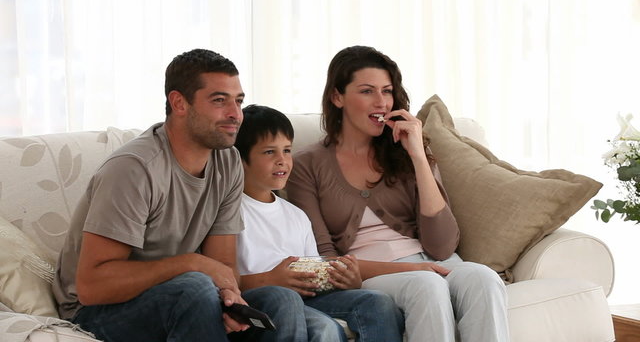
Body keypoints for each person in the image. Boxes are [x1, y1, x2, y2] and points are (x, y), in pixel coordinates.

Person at [52, 48, 320, 342]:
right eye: (220, 101)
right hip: (97, 311)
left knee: (282, 300)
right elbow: (93, 287)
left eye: (238, 101)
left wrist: (229, 296)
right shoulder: (135, 170)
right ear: (179, 103)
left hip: (183, 295)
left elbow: (223, 265)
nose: (235, 115)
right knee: (194, 286)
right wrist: (190, 263)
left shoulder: (227, 161)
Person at [285, 45, 509, 342]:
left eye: (387, 91)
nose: (381, 102)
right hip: (374, 271)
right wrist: (413, 268)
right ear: (337, 97)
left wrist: (418, 156)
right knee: (426, 285)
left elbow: (442, 247)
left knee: (484, 278)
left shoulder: (407, 151)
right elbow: (322, 257)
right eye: (367, 91)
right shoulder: (305, 164)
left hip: (434, 261)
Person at [232, 104, 404, 342]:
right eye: (270, 152)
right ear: (240, 160)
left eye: (287, 150)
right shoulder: (230, 211)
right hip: (261, 299)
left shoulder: (296, 215)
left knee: (378, 302)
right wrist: (272, 279)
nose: (282, 161)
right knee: (323, 327)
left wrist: (347, 280)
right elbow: (223, 278)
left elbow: (313, 269)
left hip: (305, 298)